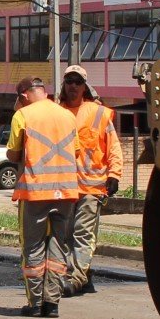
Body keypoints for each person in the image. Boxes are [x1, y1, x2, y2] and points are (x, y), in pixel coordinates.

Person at [6, 76, 79, 318]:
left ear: (24, 95)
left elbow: (14, 154)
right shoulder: (67, 115)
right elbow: (75, 151)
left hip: (36, 191)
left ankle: (35, 303)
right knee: (58, 245)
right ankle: (53, 303)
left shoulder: (23, 115)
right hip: (66, 192)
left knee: (33, 247)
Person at [58, 65, 120, 296]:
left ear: (84, 86)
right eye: (69, 81)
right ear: (64, 84)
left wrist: (114, 174)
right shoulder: (57, 113)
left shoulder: (98, 113)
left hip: (92, 186)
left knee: (82, 233)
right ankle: (84, 276)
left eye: (77, 82)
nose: (73, 86)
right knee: (65, 235)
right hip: (64, 186)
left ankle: (75, 279)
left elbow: (113, 146)